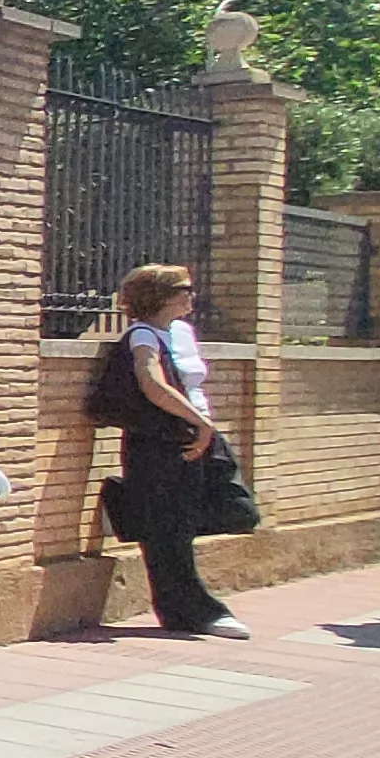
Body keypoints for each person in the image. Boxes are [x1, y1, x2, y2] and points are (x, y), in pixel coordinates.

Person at [108, 264, 248, 638]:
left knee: (237, 509)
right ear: (161, 295)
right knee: (168, 530)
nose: (191, 295)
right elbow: (151, 382)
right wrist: (199, 423)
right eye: (183, 288)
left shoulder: (183, 332)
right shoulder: (143, 335)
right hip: (161, 440)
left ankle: (133, 513)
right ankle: (193, 611)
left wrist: (204, 427)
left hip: (195, 433)